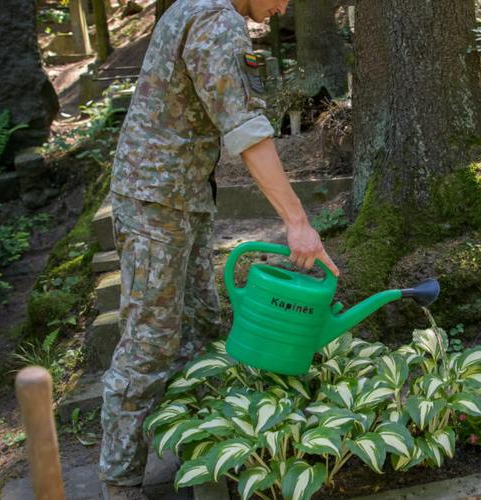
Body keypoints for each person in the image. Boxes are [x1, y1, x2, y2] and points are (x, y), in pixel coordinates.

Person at [99, 0, 338, 498]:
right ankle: (118, 482)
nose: (284, 7)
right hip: (155, 203)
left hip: (179, 199)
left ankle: (198, 450)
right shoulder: (217, 21)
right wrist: (297, 222)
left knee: (202, 329)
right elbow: (246, 131)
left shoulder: (198, 8)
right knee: (149, 342)